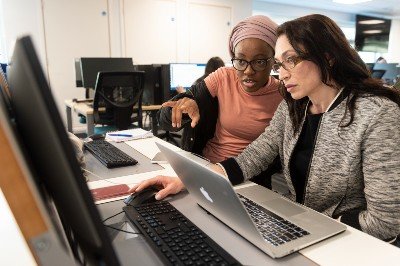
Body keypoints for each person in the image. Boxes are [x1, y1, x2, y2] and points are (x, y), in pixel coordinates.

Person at [131, 14, 400, 242]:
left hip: (347, 240)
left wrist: (320, 225)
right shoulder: (294, 107)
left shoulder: (376, 114)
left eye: (291, 60)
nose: (282, 74)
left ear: (328, 58)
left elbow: (386, 222)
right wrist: (189, 180)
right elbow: (253, 157)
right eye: (280, 64)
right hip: (301, 226)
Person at [156, 15, 283, 188]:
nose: (248, 71)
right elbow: (164, 119)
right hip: (205, 166)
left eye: (259, 62)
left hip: (250, 179)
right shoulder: (223, 77)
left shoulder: (284, 95)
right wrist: (184, 110)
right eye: (240, 61)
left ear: (273, 61)